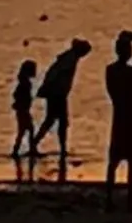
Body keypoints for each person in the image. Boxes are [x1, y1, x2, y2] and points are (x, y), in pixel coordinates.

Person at [29, 38, 94, 167]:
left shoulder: (69, 57)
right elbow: (55, 73)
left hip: (59, 93)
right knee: (57, 121)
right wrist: (48, 87)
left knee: (54, 121)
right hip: (57, 94)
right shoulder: (69, 59)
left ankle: (43, 145)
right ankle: (47, 146)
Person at [104, 33, 132, 206]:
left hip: (119, 114)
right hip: (128, 115)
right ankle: (131, 196)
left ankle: (109, 196)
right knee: (131, 159)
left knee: (114, 160)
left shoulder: (110, 70)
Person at [10, 59, 38, 162]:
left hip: (23, 110)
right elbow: (17, 95)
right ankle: (23, 150)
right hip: (23, 110)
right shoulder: (25, 83)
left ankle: (20, 150)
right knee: (27, 130)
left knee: (26, 130)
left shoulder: (25, 82)